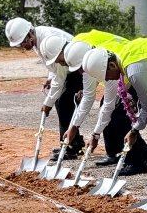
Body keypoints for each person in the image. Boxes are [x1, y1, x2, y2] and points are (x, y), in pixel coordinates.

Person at [83, 38, 147, 179]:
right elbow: (109, 104)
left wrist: (134, 131)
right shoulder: (123, 63)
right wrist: (96, 134)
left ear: (112, 65)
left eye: (106, 76)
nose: (107, 80)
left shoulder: (133, 71)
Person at [5, 17, 83, 158]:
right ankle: (73, 142)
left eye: (22, 41)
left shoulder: (48, 39)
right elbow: (53, 65)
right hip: (66, 68)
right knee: (62, 102)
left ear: (30, 33)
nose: (22, 46)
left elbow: (60, 77)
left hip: (77, 67)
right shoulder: (37, 40)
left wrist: (47, 104)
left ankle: (70, 147)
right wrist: (49, 78)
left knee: (65, 102)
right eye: (19, 44)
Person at [46, 30, 128, 163]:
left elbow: (108, 103)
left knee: (115, 110)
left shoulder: (104, 62)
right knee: (110, 109)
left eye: (80, 69)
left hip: (129, 68)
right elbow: (88, 96)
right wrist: (74, 126)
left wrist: (95, 135)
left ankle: (135, 157)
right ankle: (123, 154)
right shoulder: (86, 55)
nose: (80, 73)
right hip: (119, 69)